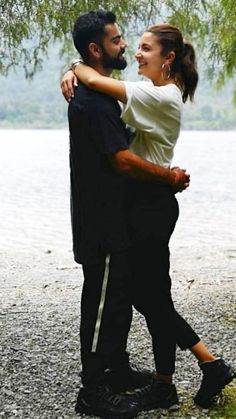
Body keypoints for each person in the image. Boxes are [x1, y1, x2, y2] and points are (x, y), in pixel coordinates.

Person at [62, 14, 235, 413]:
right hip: (141, 204)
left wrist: (76, 68)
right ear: (96, 48)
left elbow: (95, 86)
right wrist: (71, 69)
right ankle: (186, 371)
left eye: (143, 47)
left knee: (149, 294)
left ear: (168, 58)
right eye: (124, 42)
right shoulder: (144, 90)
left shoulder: (159, 95)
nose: (132, 51)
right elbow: (95, 86)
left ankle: (190, 372)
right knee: (147, 293)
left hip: (150, 204)